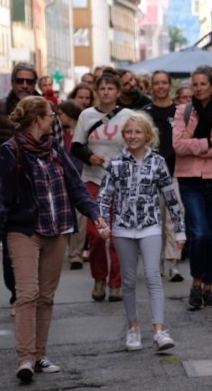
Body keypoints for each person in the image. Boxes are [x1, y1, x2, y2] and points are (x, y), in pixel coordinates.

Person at [0, 96, 106, 383]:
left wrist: (94, 213)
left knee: (46, 297)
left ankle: (40, 355)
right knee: (27, 294)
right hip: (24, 230)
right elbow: (0, 198)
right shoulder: (10, 151)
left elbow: (75, 185)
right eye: (51, 114)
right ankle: (25, 358)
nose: (55, 118)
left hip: (58, 228)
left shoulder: (54, 148)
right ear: (39, 119)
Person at [98, 112, 185, 352]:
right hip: (123, 228)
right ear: (123, 135)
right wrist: (103, 224)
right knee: (128, 280)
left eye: (138, 132)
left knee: (153, 276)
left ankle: (159, 331)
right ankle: (133, 328)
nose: (133, 136)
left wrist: (180, 231)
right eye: (129, 132)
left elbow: (171, 198)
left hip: (151, 226)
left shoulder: (157, 162)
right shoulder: (116, 163)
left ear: (147, 135)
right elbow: (104, 197)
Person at [0, 63, 62, 314]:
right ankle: (19, 295)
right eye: (20, 81)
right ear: (13, 82)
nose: (25, 86)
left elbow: (59, 148)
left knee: (43, 249)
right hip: (8, 189)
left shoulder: (47, 109)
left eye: (29, 81)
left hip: (43, 193)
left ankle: (32, 295)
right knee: (12, 252)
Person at [173, 65, 212, 310]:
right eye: (195, 84)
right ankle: (196, 283)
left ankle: (208, 286)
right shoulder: (183, 111)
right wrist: (209, 142)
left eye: (203, 84)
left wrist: (195, 145)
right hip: (190, 181)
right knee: (199, 234)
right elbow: (178, 146)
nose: (198, 88)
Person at [71, 73, 133, 302]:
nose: (106, 92)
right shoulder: (87, 115)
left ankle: (116, 283)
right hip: (93, 180)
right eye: (102, 88)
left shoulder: (128, 116)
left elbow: (137, 144)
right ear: (97, 91)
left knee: (118, 236)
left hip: (121, 182)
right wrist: (89, 157)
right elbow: (76, 147)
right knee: (96, 234)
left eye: (111, 88)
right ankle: (99, 277)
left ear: (118, 92)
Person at [143, 70, 185, 282]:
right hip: (151, 176)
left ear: (170, 85)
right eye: (156, 83)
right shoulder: (145, 113)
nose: (160, 86)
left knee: (175, 219)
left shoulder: (180, 112)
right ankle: (157, 261)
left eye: (164, 83)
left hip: (175, 173)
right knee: (154, 221)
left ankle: (173, 263)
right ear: (151, 86)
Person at [57, 100, 88, 270]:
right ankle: (70, 250)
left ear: (69, 113)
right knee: (66, 216)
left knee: (80, 218)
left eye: (60, 114)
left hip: (81, 177)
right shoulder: (58, 132)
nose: (58, 117)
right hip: (62, 179)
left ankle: (76, 254)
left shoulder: (84, 131)